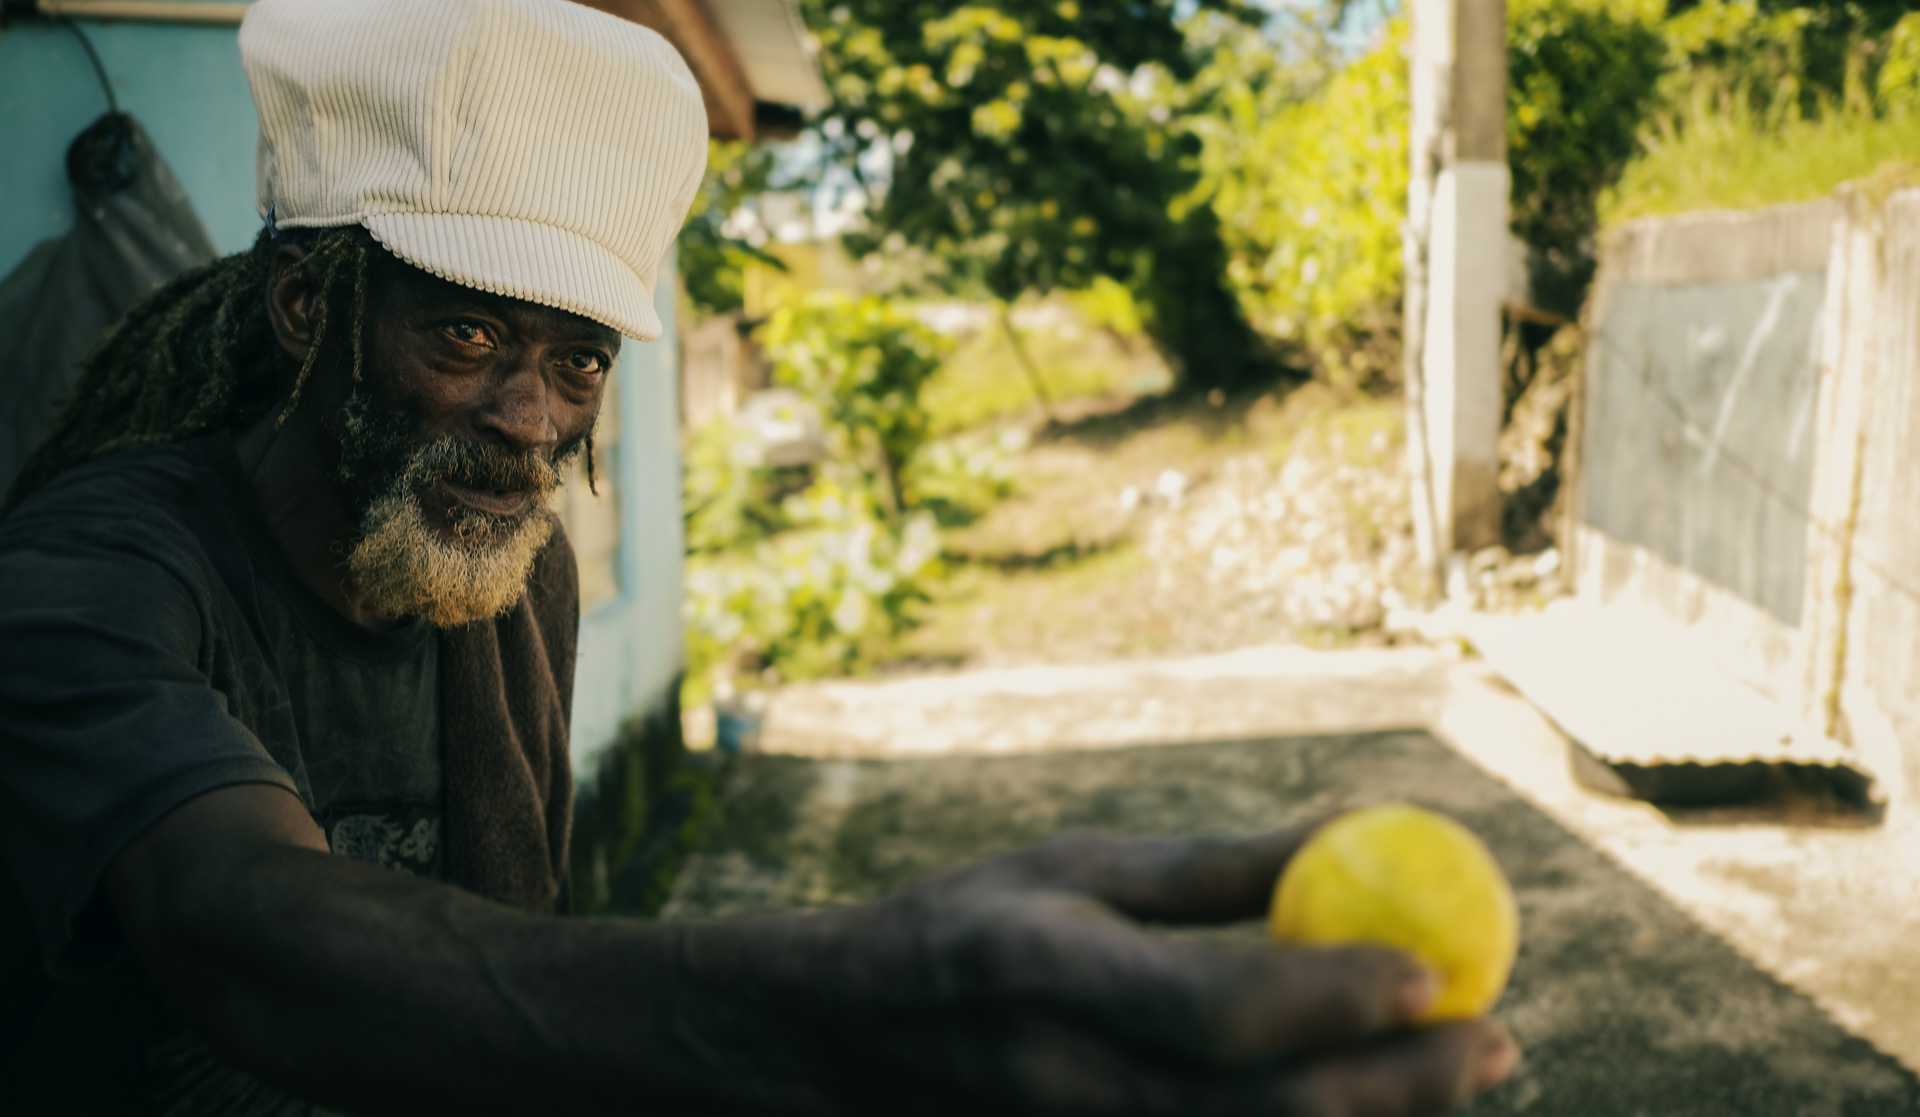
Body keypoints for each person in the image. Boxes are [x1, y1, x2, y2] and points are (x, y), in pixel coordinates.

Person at [0, 0, 1519, 1113]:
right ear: (302, 308)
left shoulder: (516, 576)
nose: (530, 421)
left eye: (579, 360)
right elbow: (239, 925)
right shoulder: (90, 579)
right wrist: (855, 1008)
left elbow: (517, 971)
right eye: (466, 332)